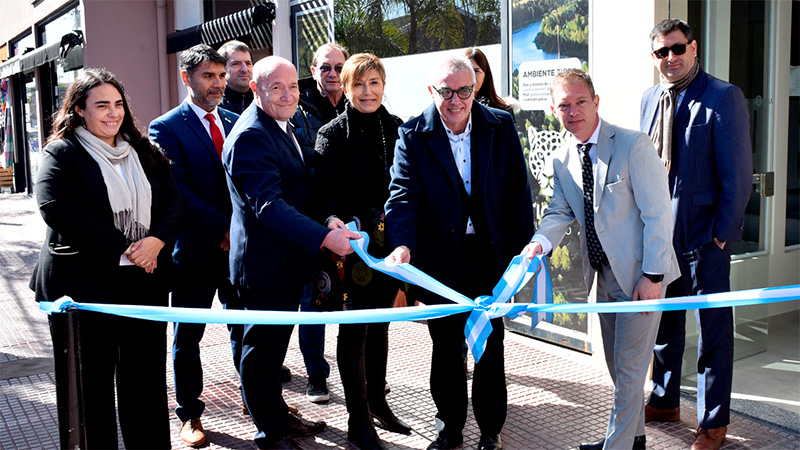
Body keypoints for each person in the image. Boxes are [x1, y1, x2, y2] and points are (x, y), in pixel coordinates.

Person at [522, 69, 679, 450]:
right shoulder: (562, 158)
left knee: (628, 373)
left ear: (596, 102)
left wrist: (653, 276)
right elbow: (559, 212)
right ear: (553, 109)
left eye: (580, 101)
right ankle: (634, 439)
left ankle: (617, 447)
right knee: (617, 367)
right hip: (603, 277)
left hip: (642, 278)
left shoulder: (632, 145)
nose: (573, 111)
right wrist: (539, 244)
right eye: (564, 105)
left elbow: (658, 214)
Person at [385, 56, 534, 450]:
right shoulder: (412, 134)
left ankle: (490, 429)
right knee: (446, 346)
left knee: (491, 343)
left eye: (464, 91)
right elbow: (403, 197)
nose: (455, 100)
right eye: (446, 91)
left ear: (475, 89)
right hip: (439, 260)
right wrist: (403, 245)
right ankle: (450, 426)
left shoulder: (499, 126)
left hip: (490, 257)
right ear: (431, 91)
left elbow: (518, 194)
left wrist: (522, 258)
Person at [29, 68, 182, 449]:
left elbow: (174, 201)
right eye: (101, 105)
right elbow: (55, 206)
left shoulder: (143, 149)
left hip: (143, 283)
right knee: (90, 386)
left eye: (117, 104)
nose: (112, 113)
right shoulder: (61, 152)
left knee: (144, 383)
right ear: (79, 109)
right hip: (84, 286)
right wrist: (127, 246)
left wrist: (157, 241)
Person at [223, 55, 361, 450]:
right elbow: (269, 206)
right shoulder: (252, 134)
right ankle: (269, 433)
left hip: (285, 265)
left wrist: (328, 220)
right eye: (276, 88)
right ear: (256, 89)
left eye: (292, 87)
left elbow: (298, 191)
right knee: (261, 355)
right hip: (264, 269)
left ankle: (277, 417)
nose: (287, 95)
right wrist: (323, 237)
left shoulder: (281, 126)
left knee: (272, 353)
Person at [641, 19, 753, 450]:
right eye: (660, 52)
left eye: (676, 48)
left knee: (713, 334)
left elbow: (738, 176)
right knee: (665, 327)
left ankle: (713, 422)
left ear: (693, 47)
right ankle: (665, 400)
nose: (669, 58)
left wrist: (721, 238)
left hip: (705, 240)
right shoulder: (650, 98)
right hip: (661, 238)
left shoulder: (723, 97)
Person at [148, 43, 245, 447]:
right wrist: (223, 228)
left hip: (238, 251)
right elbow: (178, 192)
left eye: (222, 76)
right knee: (188, 337)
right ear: (186, 78)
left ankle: (257, 400)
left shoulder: (236, 120)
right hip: (195, 253)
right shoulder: (165, 128)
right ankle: (189, 415)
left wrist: (237, 233)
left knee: (248, 329)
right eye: (209, 76)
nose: (218, 83)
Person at [313, 52, 412, 450]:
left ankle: (378, 403)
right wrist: (338, 222)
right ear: (347, 87)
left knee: (381, 326)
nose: (366, 91)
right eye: (358, 83)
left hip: (390, 250)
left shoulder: (398, 128)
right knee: (354, 331)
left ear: (384, 85)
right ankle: (358, 419)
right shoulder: (331, 134)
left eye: (373, 83)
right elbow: (323, 194)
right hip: (350, 251)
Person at [290, 42, 350, 404]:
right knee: (313, 301)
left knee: (352, 299)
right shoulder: (298, 110)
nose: (332, 74)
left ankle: (360, 372)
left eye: (338, 67)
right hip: (313, 221)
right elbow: (302, 163)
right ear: (313, 71)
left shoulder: (357, 104)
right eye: (325, 67)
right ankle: (316, 376)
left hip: (349, 220)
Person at [463, 47, 512, 115]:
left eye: (476, 71)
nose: (472, 76)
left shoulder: (502, 112)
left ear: (485, 75)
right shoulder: (453, 109)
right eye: (468, 70)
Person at [218, 40, 254, 114]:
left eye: (248, 63)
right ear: (222, 69)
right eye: (236, 64)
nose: (244, 69)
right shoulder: (215, 106)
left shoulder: (263, 103)